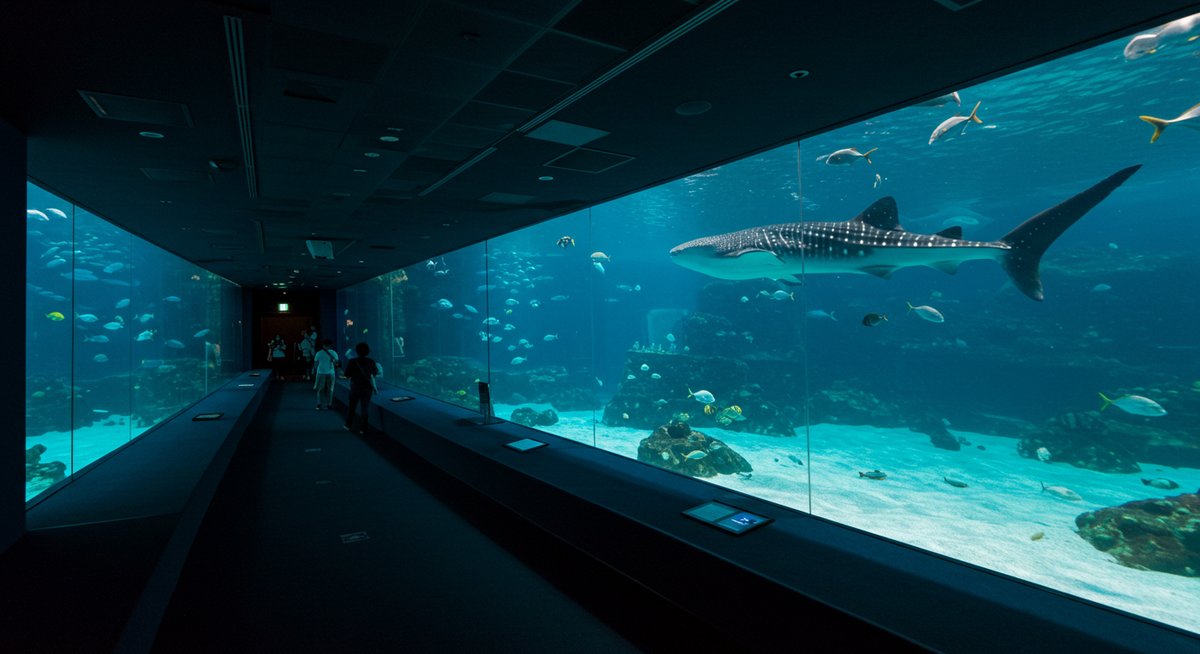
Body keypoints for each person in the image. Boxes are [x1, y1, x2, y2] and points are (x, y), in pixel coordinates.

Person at [343, 342, 377, 434]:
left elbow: (347, 375)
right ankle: (363, 428)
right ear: (368, 351)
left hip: (355, 387)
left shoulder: (352, 361)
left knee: (352, 407)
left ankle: (348, 425)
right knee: (364, 408)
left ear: (357, 351)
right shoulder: (371, 361)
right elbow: (374, 373)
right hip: (367, 388)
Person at [312, 338, 339, 410]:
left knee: (320, 389)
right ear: (331, 345)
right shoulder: (334, 353)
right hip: (331, 373)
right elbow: (337, 363)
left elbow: (315, 363)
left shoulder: (319, 353)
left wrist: (314, 371)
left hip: (321, 372)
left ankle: (319, 404)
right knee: (330, 389)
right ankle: (329, 404)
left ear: (323, 345)